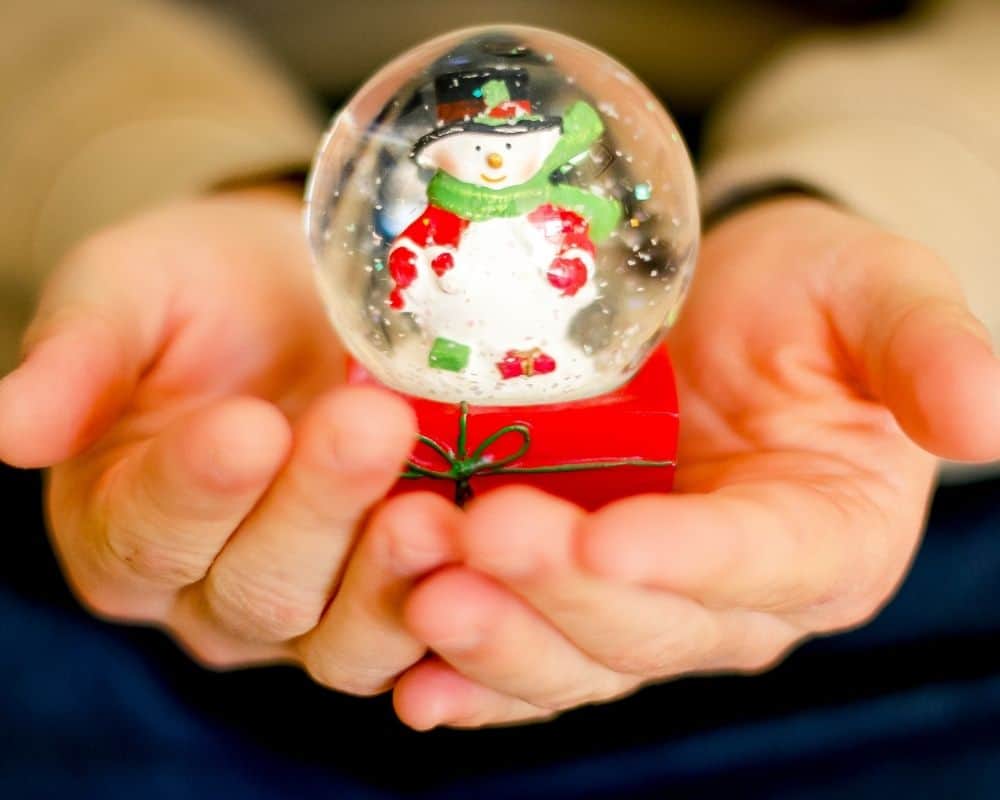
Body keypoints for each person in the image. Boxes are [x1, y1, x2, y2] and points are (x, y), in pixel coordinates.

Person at [1, 0, 999, 795]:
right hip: (211, 212)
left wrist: (897, 192)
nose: (491, 158)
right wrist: (124, 165)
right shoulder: (419, 209)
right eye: (474, 152)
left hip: (894, 642)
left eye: (511, 150)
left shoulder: (574, 209)